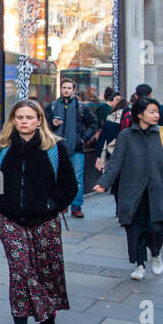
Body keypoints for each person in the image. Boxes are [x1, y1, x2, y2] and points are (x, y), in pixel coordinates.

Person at [0, 99, 77, 324]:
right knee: (20, 272)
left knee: (45, 270)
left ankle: (48, 311)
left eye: (29, 117)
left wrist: (49, 205)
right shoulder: (2, 147)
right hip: (10, 221)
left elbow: (68, 186)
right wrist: (3, 202)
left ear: (39, 121)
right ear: (13, 120)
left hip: (44, 222)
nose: (24, 121)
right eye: (19, 117)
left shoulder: (54, 148)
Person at [93, 97, 163, 280]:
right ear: (140, 114)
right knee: (135, 228)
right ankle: (139, 264)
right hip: (132, 191)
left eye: (157, 112)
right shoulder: (126, 135)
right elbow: (116, 162)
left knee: (157, 228)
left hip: (159, 190)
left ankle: (155, 253)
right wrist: (104, 182)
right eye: (152, 112)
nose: (156, 115)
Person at [44, 79, 97, 219]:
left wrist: (83, 138)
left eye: (69, 88)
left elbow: (93, 123)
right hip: (56, 148)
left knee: (77, 179)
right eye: (64, 87)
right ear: (60, 89)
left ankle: (76, 206)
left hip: (76, 148)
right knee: (56, 177)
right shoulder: (52, 107)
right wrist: (51, 123)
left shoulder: (82, 107)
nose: (66, 90)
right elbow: (43, 126)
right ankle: (61, 204)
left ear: (74, 90)